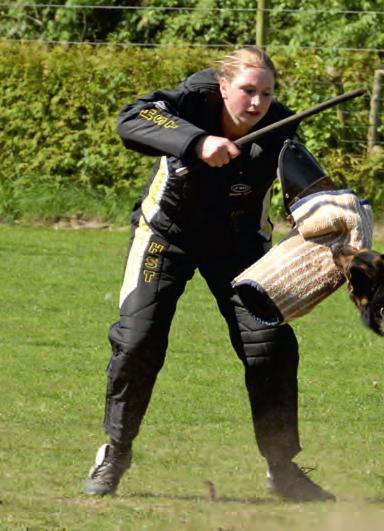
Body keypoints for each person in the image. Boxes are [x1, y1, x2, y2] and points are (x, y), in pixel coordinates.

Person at [83, 46, 335, 502]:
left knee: (270, 345)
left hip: (238, 245)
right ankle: (115, 452)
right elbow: (132, 119)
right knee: (138, 340)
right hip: (166, 234)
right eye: (247, 91)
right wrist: (197, 142)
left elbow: (307, 188)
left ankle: (283, 469)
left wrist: (336, 217)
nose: (256, 103)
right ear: (223, 87)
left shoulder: (281, 128)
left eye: (266, 93)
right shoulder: (193, 100)